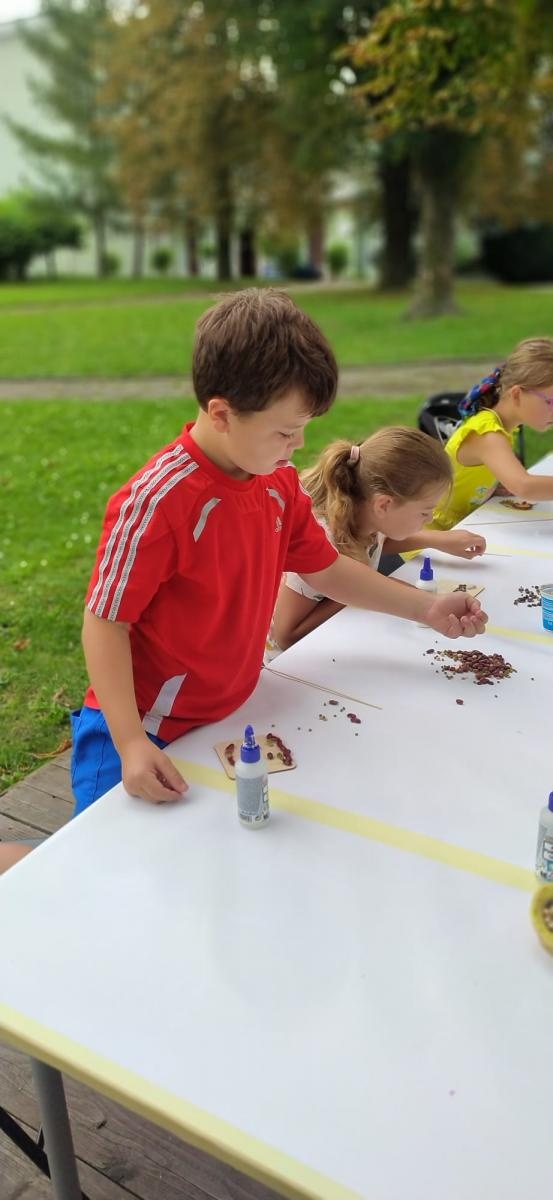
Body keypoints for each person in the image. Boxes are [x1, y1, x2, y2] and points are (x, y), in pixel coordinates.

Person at [0, 288, 488, 877]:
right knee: (91, 871)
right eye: (285, 432)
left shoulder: (275, 483)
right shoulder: (157, 502)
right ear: (222, 412)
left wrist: (424, 608)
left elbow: (328, 569)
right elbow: (106, 621)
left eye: (304, 429)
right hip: (145, 727)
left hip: (229, 714)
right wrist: (131, 743)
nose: (298, 446)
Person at [270, 427, 486, 651]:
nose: (430, 518)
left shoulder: (368, 515)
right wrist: (356, 589)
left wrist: (438, 540)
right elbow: (285, 635)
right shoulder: (321, 540)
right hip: (285, 665)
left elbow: (381, 541)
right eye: (424, 512)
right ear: (384, 504)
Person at [430, 337, 553, 530]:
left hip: (466, 526)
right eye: (551, 402)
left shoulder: (502, 425)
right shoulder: (487, 433)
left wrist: (494, 485)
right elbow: (525, 486)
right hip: (434, 537)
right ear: (517, 394)